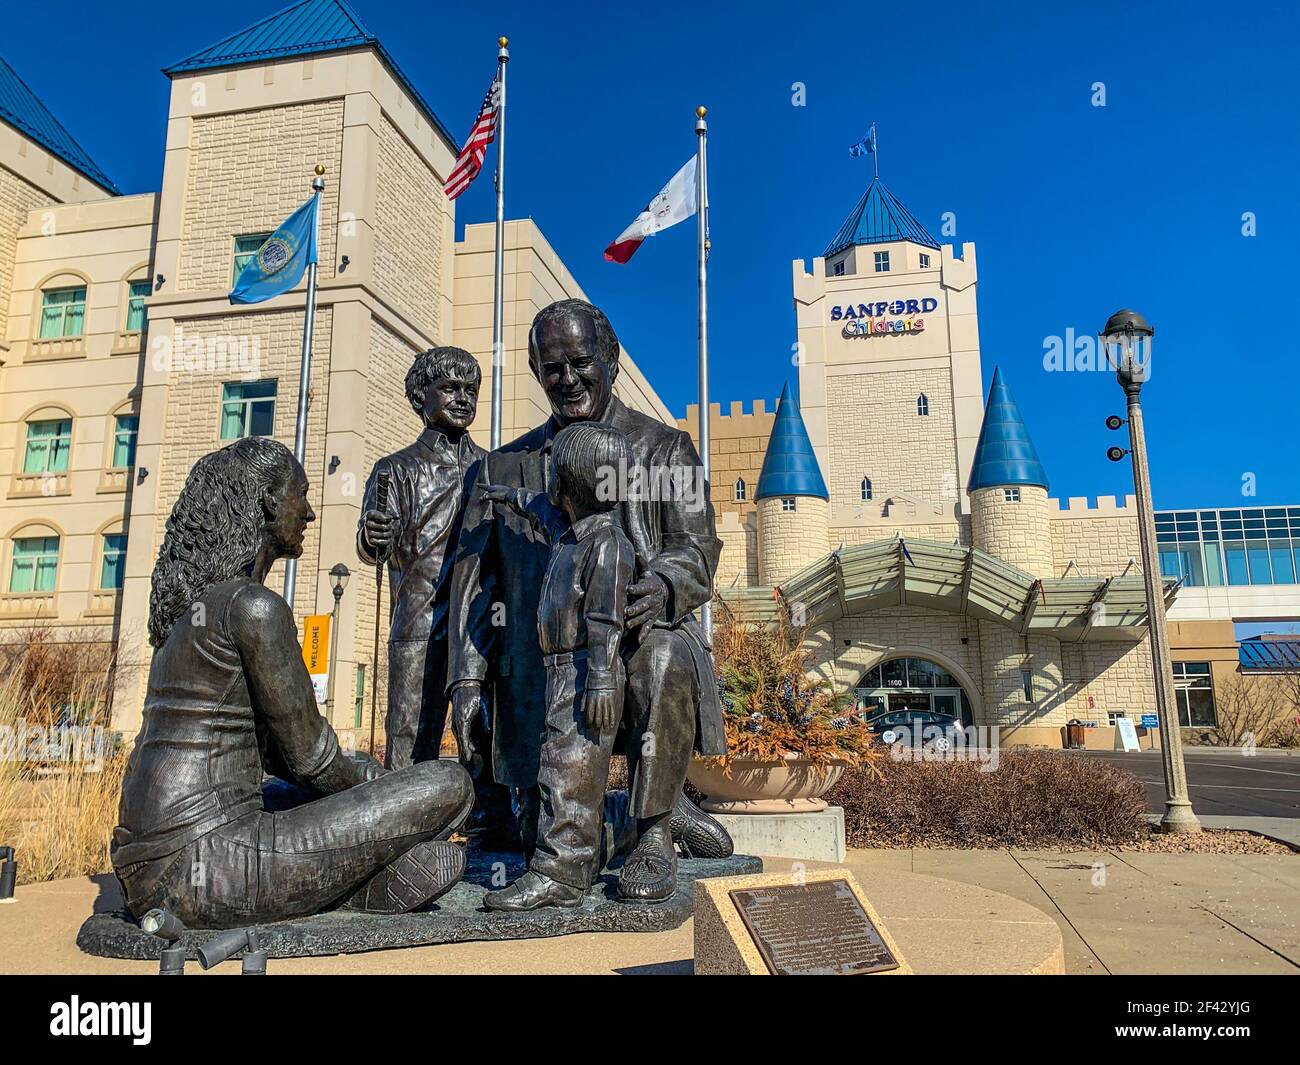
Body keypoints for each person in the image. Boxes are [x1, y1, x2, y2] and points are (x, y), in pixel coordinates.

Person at [112, 437, 473, 929]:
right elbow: (313, 760)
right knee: (448, 783)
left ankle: (371, 882)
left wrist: (371, 781)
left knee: (367, 773)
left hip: (150, 862)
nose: (308, 513)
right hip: (208, 864)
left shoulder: (188, 611)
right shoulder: (252, 607)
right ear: (267, 501)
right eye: (300, 495)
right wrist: (395, 793)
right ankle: (366, 881)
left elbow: (277, 755)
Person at [448, 299, 733, 906]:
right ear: (535, 371)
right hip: (539, 661)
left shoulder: (664, 449)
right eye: (553, 369)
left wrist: (661, 587)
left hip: (637, 639)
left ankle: (653, 831)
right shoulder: (505, 466)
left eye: (582, 363)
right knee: (528, 842)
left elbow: (698, 547)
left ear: (612, 360)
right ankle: (623, 817)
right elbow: (475, 586)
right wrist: (466, 681)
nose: (568, 379)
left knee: (659, 658)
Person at [479, 423, 637, 910]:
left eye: (553, 470)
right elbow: (535, 507)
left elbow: (606, 619)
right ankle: (607, 827)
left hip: (588, 669)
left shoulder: (607, 545)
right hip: (560, 668)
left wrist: (603, 681)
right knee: (556, 763)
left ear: (571, 481)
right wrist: (504, 495)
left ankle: (562, 873)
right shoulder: (569, 530)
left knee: (569, 765)